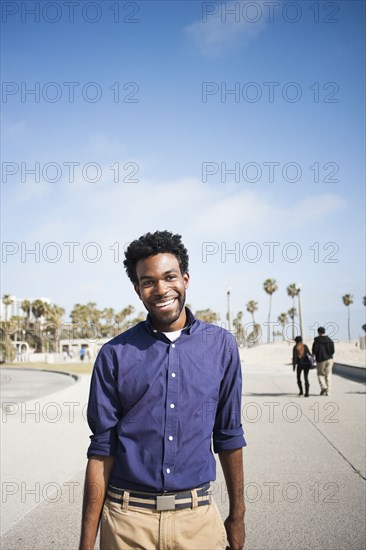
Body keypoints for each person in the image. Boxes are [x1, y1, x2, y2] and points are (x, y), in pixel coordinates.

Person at [79, 230, 246, 550]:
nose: (161, 289)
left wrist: (237, 516)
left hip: (197, 521)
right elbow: (101, 453)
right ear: (137, 289)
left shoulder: (221, 346)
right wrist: (87, 543)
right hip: (127, 522)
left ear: (185, 278)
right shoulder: (115, 354)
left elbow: (229, 435)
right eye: (148, 281)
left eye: (169, 277)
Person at [312, 326, 335, 396]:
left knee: (320, 374)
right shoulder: (330, 340)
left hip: (320, 360)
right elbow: (333, 351)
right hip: (329, 359)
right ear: (324, 332)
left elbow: (314, 350)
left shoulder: (316, 340)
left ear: (318, 332)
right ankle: (328, 392)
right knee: (328, 375)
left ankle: (324, 387)